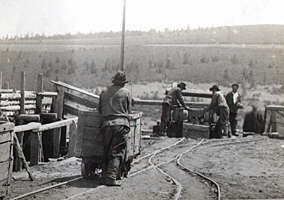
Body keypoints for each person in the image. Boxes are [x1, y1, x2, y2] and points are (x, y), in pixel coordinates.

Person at [98, 71, 131, 186]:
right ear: (123, 83)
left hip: (106, 124)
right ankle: (111, 177)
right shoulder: (126, 92)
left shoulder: (104, 92)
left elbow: (100, 110)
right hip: (120, 124)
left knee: (106, 150)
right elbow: (128, 110)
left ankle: (103, 175)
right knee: (117, 152)